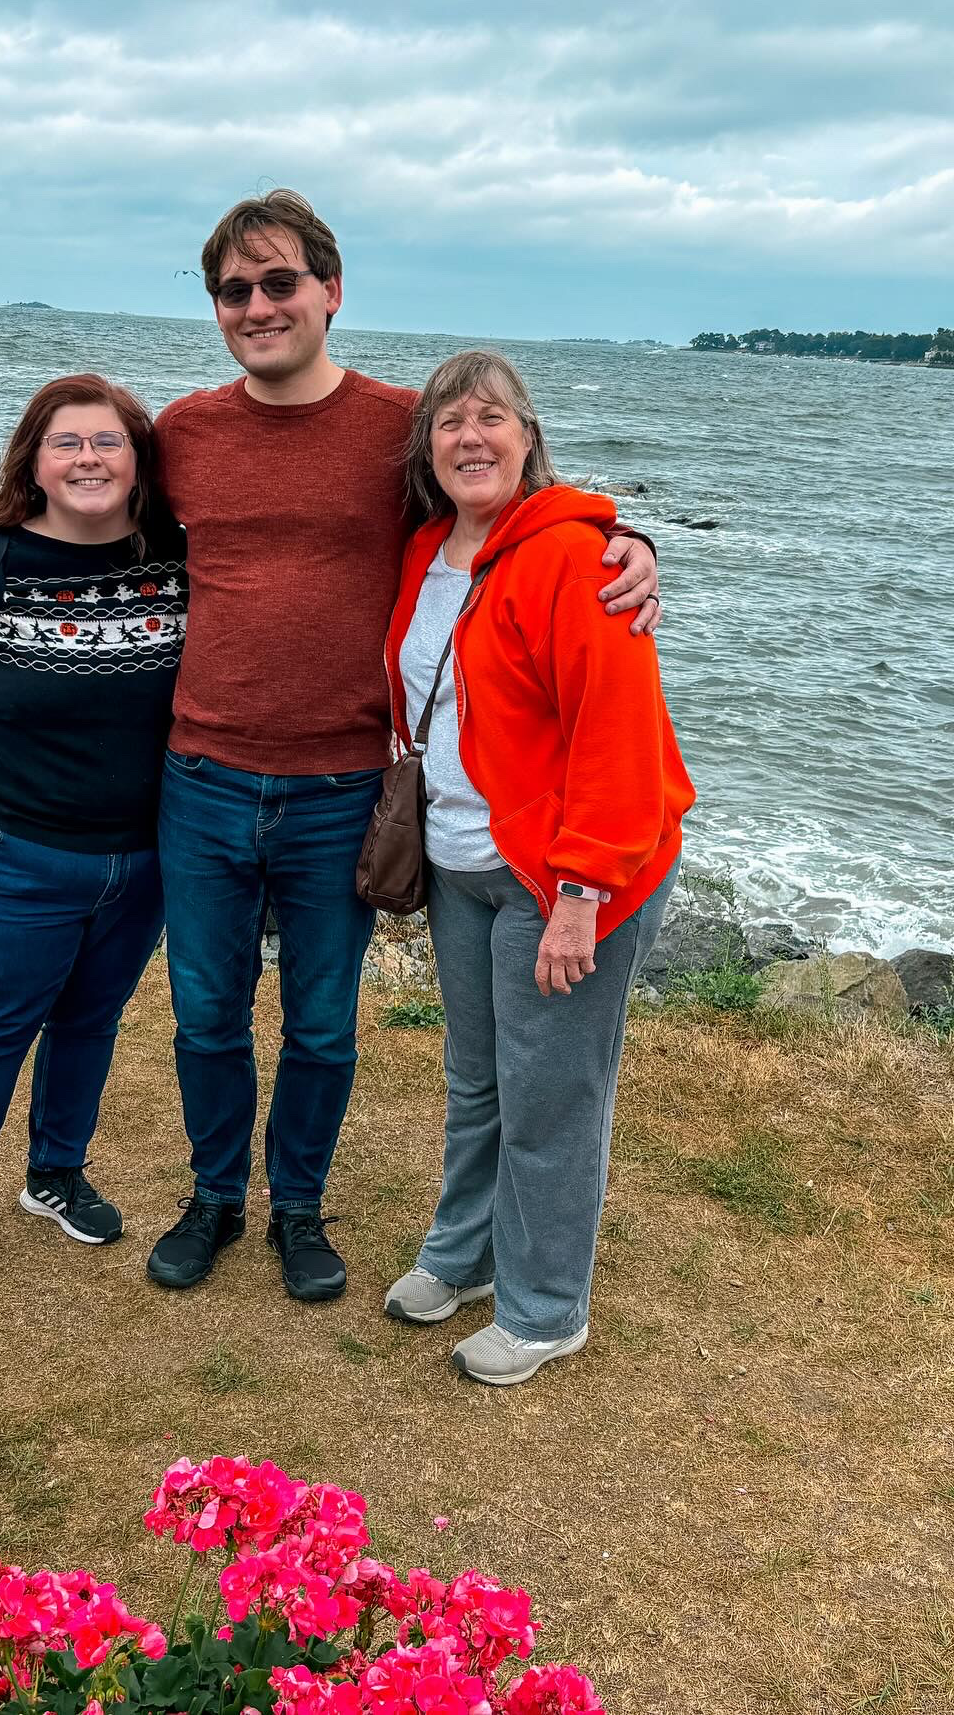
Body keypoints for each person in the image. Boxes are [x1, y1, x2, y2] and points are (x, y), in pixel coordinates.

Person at [0, 191, 661, 1305]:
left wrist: (624, 536)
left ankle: (298, 1209)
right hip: (200, 778)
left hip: (341, 786)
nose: (257, 306)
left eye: (279, 284)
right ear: (218, 307)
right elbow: (84, 492)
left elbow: (498, 498)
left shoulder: (401, 426)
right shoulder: (189, 434)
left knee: (320, 1021)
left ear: (330, 291)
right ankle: (216, 1197)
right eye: (234, 290)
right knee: (205, 1011)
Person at [379, 349, 693, 1384]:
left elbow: (618, 731)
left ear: (528, 435)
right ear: (429, 447)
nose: (472, 436)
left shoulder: (576, 556)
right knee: (478, 1078)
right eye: (450, 421)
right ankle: (464, 1255)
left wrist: (580, 895)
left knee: (551, 1093)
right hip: (463, 856)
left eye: (493, 417)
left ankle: (547, 1304)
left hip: (566, 873)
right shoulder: (428, 547)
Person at [0, 374, 187, 1291]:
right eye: (68, 444)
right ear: (37, 462)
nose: (88, 458)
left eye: (107, 442)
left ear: (139, 461)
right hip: (12, 845)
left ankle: (55, 1174)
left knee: (90, 1019)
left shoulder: (176, 554)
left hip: (143, 852)